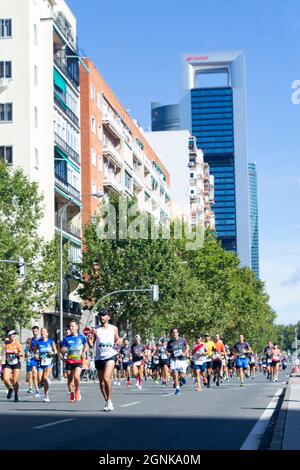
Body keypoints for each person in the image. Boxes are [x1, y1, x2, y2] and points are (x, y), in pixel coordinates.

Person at [87, 309, 120, 411]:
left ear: (108, 317)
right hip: (99, 358)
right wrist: (88, 339)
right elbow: (92, 345)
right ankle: (107, 400)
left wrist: (119, 341)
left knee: (106, 378)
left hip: (110, 356)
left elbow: (117, 339)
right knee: (101, 382)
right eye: (101, 315)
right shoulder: (95, 330)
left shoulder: (114, 328)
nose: (102, 317)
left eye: (104, 315)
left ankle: (109, 400)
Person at [60, 320, 87, 403]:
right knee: (69, 380)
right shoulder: (66, 339)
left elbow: (86, 346)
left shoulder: (82, 337)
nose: (71, 328)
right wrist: (63, 351)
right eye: (70, 326)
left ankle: (77, 390)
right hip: (69, 361)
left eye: (72, 326)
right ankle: (72, 395)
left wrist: (83, 352)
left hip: (78, 361)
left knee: (76, 377)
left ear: (77, 327)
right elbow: (62, 350)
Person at [34, 327, 57, 402]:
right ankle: (46, 381)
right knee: (40, 380)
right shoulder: (38, 342)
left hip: (48, 362)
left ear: (47, 333)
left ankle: (46, 396)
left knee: (45, 378)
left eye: (44, 332)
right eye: (41, 332)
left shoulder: (51, 342)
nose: (42, 333)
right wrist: (36, 355)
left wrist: (52, 353)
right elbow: (35, 351)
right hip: (41, 362)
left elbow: (56, 351)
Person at [167, 327, 190, 396]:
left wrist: (185, 353)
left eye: (176, 332)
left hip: (182, 359)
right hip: (174, 359)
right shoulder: (170, 342)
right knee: (174, 373)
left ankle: (182, 379)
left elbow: (188, 347)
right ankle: (177, 388)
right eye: (173, 332)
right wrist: (168, 354)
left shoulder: (182, 340)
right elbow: (167, 350)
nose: (175, 333)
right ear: (171, 334)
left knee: (182, 375)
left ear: (178, 333)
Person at [3, 330, 23, 402]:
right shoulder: (5, 344)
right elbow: (2, 353)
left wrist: (17, 353)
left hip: (16, 363)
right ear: (8, 336)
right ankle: (10, 389)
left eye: (14, 334)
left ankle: (16, 395)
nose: (13, 335)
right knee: (5, 379)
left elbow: (21, 354)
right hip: (8, 363)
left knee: (14, 381)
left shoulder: (17, 344)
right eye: (12, 334)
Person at [28, 326, 41, 398]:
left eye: (35, 331)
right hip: (33, 359)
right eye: (33, 331)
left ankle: (42, 382)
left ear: (38, 331)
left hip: (41, 359)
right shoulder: (32, 339)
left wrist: (39, 354)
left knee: (39, 377)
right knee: (34, 375)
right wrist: (29, 353)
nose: (34, 332)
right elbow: (30, 349)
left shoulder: (42, 339)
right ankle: (37, 391)